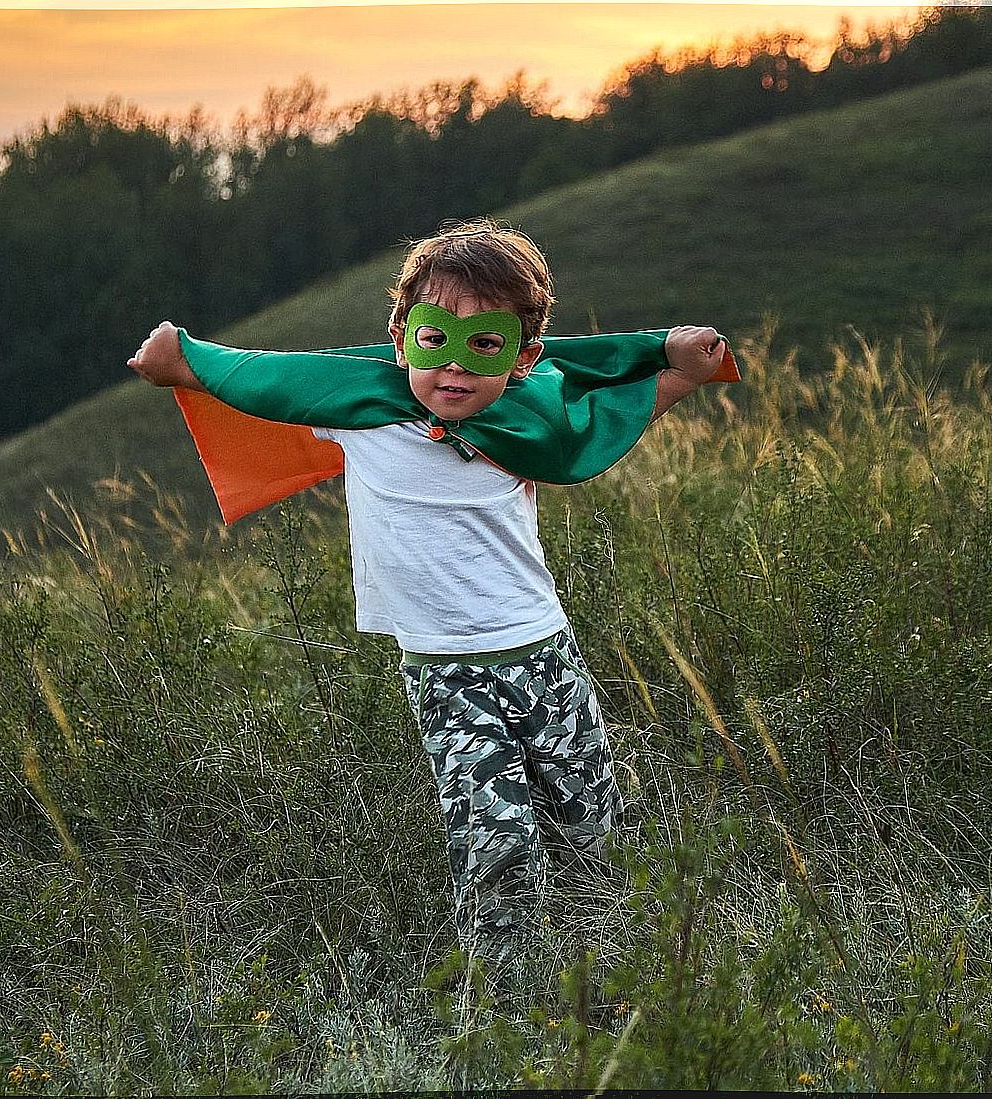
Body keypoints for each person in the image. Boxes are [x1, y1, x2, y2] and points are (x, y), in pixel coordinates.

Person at [126, 218, 731, 978]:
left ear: (523, 357)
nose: (455, 366)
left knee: (590, 825)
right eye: (434, 337)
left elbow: (606, 413)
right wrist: (179, 362)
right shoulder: (360, 412)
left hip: (544, 654)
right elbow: (262, 378)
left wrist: (679, 368)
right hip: (445, 674)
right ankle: (506, 1003)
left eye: (485, 345)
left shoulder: (528, 417)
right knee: (496, 837)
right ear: (400, 333)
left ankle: (620, 969)